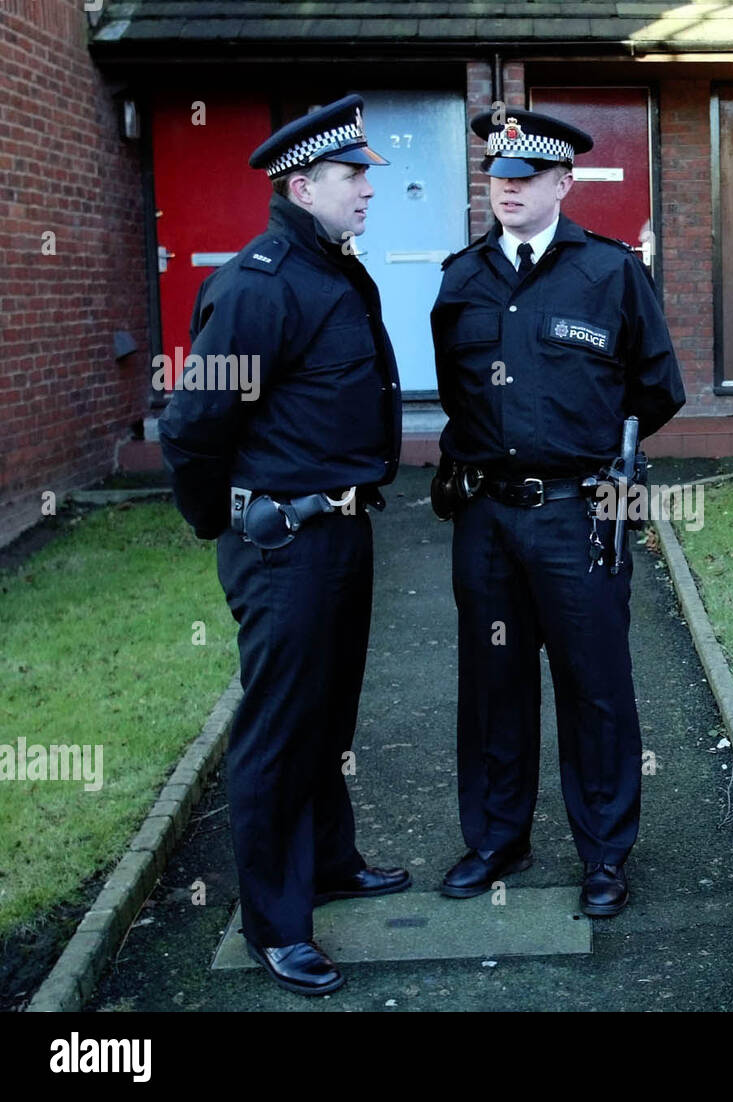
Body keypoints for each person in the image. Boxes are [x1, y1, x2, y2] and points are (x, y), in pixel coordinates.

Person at [158, 94, 410, 996]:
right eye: (354, 177)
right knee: (278, 729)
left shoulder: (335, 271)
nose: (368, 191)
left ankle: (332, 861)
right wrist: (218, 521)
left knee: (330, 717)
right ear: (302, 184)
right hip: (284, 545)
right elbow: (191, 427)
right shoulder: (259, 284)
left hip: (343, 530)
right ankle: (275, 925)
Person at [429, 108, 686, 917]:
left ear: (562, 184)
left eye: (525, 178)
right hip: (487, 519)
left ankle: (605, 856)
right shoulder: (461, 277)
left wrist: (583, 448)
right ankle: (497, 839)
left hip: (577, 515)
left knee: (595, 689)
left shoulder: (609, 274)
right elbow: (456, 393)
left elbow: (658, 388)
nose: (507, 190)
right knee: (492, 686)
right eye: (498, 177)